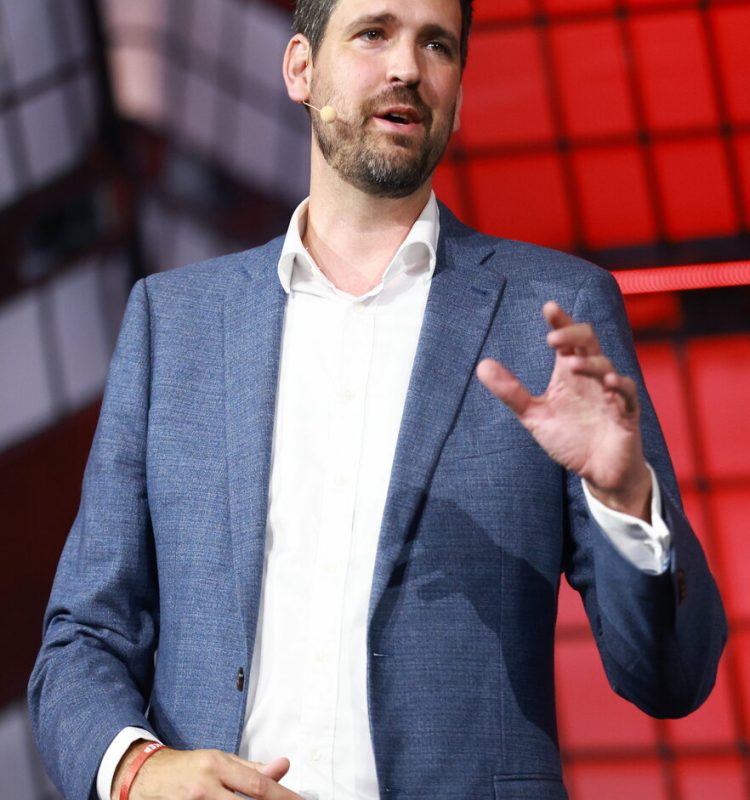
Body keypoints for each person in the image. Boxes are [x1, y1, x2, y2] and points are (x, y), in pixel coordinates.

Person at [29, 0, 726, 798]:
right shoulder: (174, 322)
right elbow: (82, 640)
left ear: (458, 93)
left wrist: (623, 496)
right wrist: (139, 774)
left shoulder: (553, 314)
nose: (406, 67)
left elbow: (672, 677)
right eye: (374, 33)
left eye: (437, 45)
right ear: (299, 68)